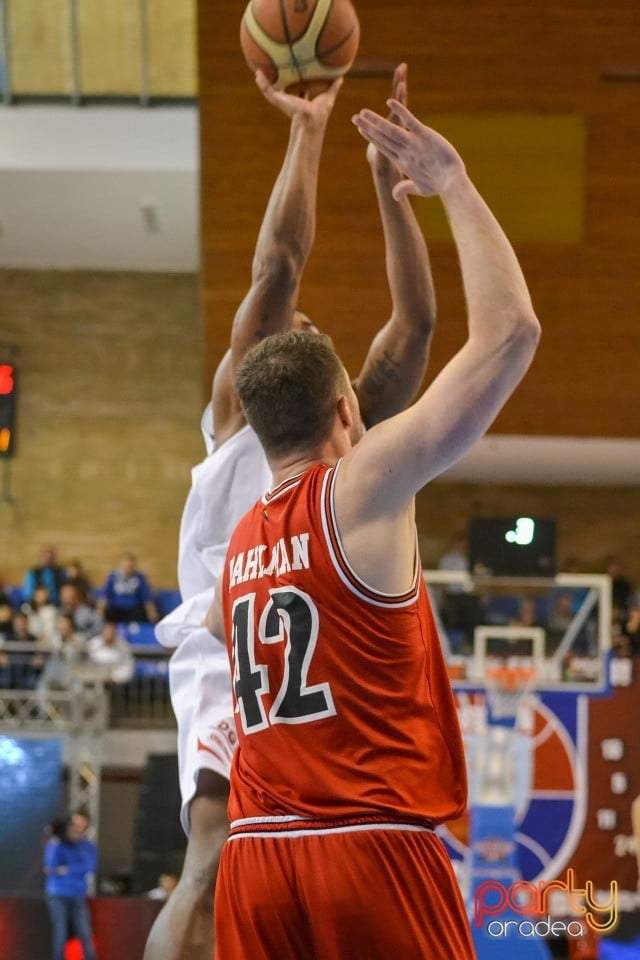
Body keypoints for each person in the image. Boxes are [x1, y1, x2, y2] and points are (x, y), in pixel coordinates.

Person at [209, 98, 540, 958]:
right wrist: (453, 184)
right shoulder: (360, 489)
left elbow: (218, 625)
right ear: (347, 410)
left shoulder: (243, 542)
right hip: (366, 843)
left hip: (255, 856)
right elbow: (510, 334)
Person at [145, 64, 437, 960]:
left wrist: (396, 193)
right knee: (209, 854)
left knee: (314, 858)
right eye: (283, 323)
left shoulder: (346, 425)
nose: (293, 323)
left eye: (308, 327)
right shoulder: (248, 399)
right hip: (230, 642)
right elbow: (278, 263)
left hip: (317, 659)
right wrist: (305, 133)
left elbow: (415, 324)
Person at [44, 810, 98, 960]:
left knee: (85, 934)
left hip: (78, 894)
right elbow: (51, 868)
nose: (77, 827)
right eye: (75, 824)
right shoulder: (57, 843)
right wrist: (55, 843)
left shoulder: (88, 846)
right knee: (60, 933)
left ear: (86, 826)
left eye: (81, 824)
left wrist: (67, 869)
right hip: (57, 894)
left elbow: (88, 868)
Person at [98, 552, 158, 624]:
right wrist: (100, 610)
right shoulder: (113, 576)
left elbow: (147, 597)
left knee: (142, 614)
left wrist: (151, 612)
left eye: (130, 566)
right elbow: (105, 595)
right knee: (107, 613)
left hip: (133, 610)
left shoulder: (140, 577)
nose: (128, 568)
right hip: (117, 609)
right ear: (121, 565)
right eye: (125, 566)